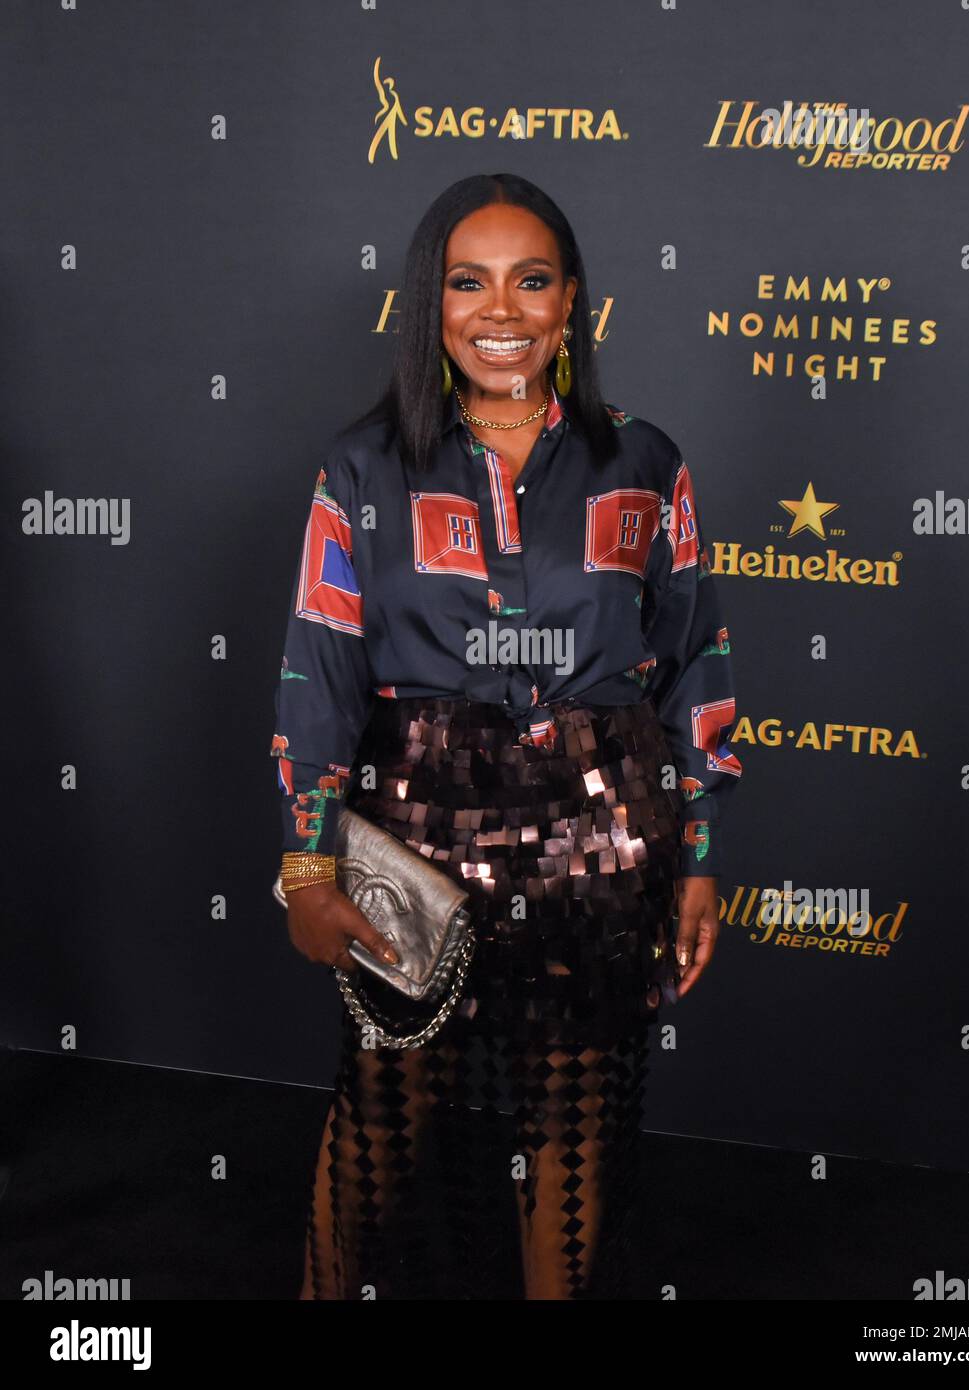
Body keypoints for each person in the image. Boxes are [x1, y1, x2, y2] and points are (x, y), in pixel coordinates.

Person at [270, 172, 743, 1300]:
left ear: (571, 300)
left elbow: (695, 666)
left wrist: (701, 857)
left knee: (574, 1129)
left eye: (530, 281)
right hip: (414, 828)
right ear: (428, 307)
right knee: (383, 1115)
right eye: (466, 282)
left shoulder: (643, 461)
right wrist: (306, 860)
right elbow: (318, 667)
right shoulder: (362, 468)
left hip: (602, 843)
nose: (501, 311)